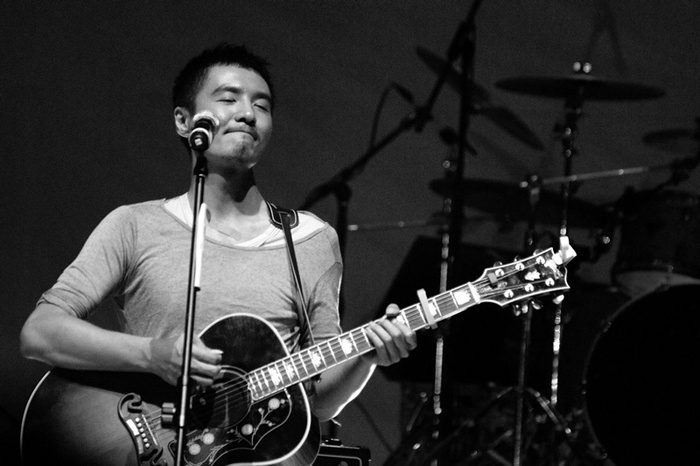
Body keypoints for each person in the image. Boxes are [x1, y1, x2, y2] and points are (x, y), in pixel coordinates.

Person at [20, 43, 417, 459]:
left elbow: (317, 403)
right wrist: (152, 355)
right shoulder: (133, 225)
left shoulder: (311, 239)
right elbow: (40, 333)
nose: (247, 113)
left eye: (261, 106)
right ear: (184, 121)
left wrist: (367, 357)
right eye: (229, 99)